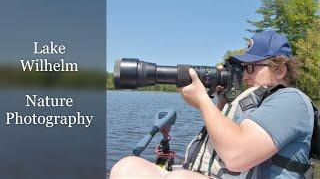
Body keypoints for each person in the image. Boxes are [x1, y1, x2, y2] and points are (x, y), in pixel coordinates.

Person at [110, 30, 314, 178]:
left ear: (280, 71)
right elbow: (217, 146)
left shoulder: (291, 101)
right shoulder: (253, 103)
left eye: (251, 67)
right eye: (242, 69)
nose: (244, 75)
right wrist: (221, 102)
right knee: (127, 167)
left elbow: (236, 156)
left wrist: (202, 101)